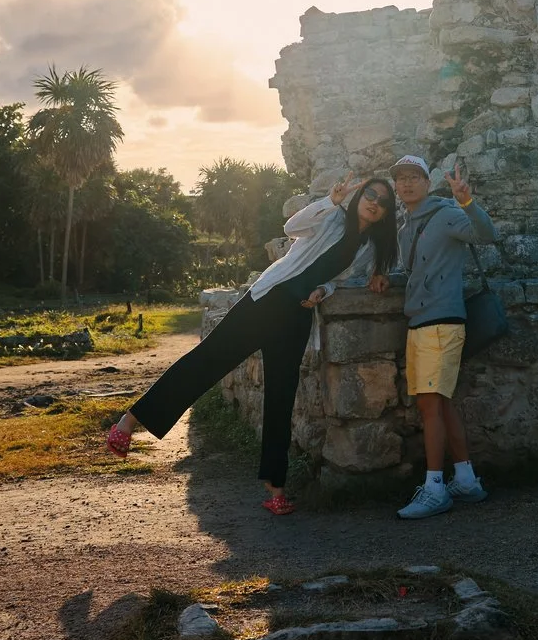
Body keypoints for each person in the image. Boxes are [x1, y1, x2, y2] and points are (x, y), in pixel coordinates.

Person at [103, 175, 394, 514]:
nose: (374, 201)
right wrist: (330, 200)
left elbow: (338, 283)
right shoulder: (331, 216)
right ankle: (129, 421)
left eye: (382, 201)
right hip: (267, 300)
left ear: (385, 214)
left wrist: (322, 292)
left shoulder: (368, 248)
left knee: (282, 394)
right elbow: (292, 227)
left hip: (298, 314)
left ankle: (276, 489)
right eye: (370, 193)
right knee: (209, 360)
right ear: (360, 195)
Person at [375, 154, 498, 520]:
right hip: (421, 323)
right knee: (441, 404)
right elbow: (414, 273)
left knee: (429, 407)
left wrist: (466, 201)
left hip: (441, 324)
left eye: (414, 176)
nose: (407, 183)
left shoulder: (446, 214)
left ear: (428, 183)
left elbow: (486, 235)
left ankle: (434, 489)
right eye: (401, 178)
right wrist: (386, 278)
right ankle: (465, 479)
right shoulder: (405, 228)